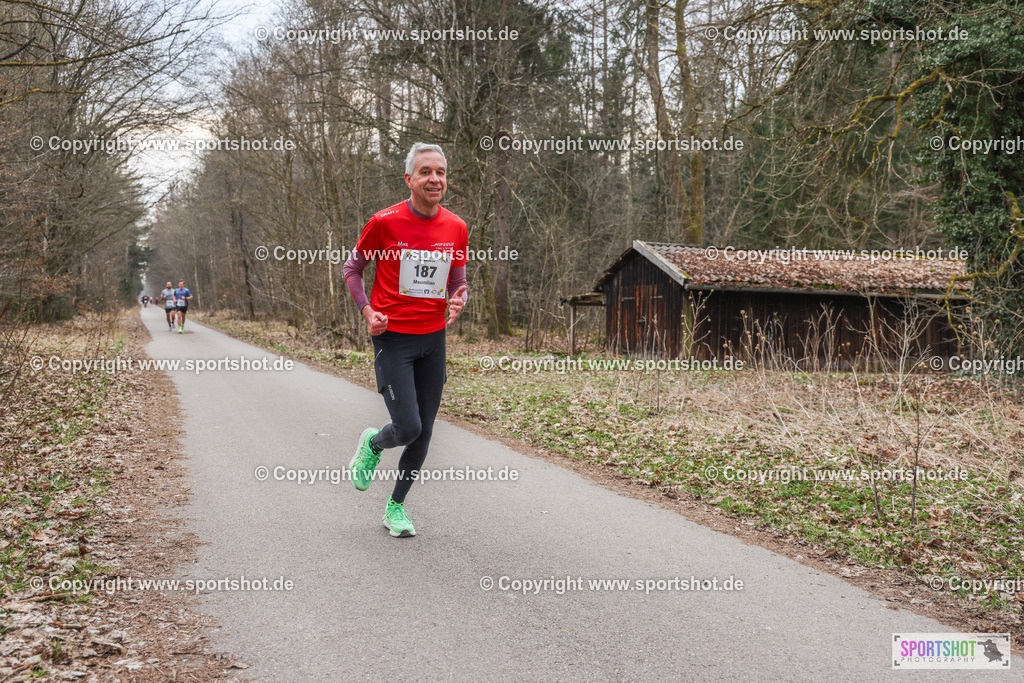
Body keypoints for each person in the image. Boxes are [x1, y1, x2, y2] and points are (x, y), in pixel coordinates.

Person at [344, 142, 469, 538]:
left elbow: (458, 278)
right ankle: (374, 443)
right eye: (426, 172)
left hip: (433, 339)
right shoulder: (384, 222)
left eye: (441, 172)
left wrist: (460, 296)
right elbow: (353, 268)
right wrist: (367, 311)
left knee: (425, 431)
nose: (435, 179)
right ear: (409, 179)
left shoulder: (456, 227)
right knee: (409, 426)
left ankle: (396, 507)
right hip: (393, 339)